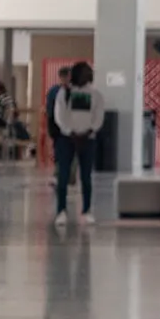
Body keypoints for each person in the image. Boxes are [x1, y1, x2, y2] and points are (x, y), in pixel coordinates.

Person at [52, 62, 105, 226]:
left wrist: (89, 132)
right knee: (63, 176)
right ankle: (61, 211)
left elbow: (98, 116)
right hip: (67, 139)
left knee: (86, 176)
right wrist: (70, 132)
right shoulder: (64, 93)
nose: (88, 75)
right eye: (85, 72)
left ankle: (87, 210)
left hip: (88, 140)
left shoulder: (96, 94)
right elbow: (59, 115)